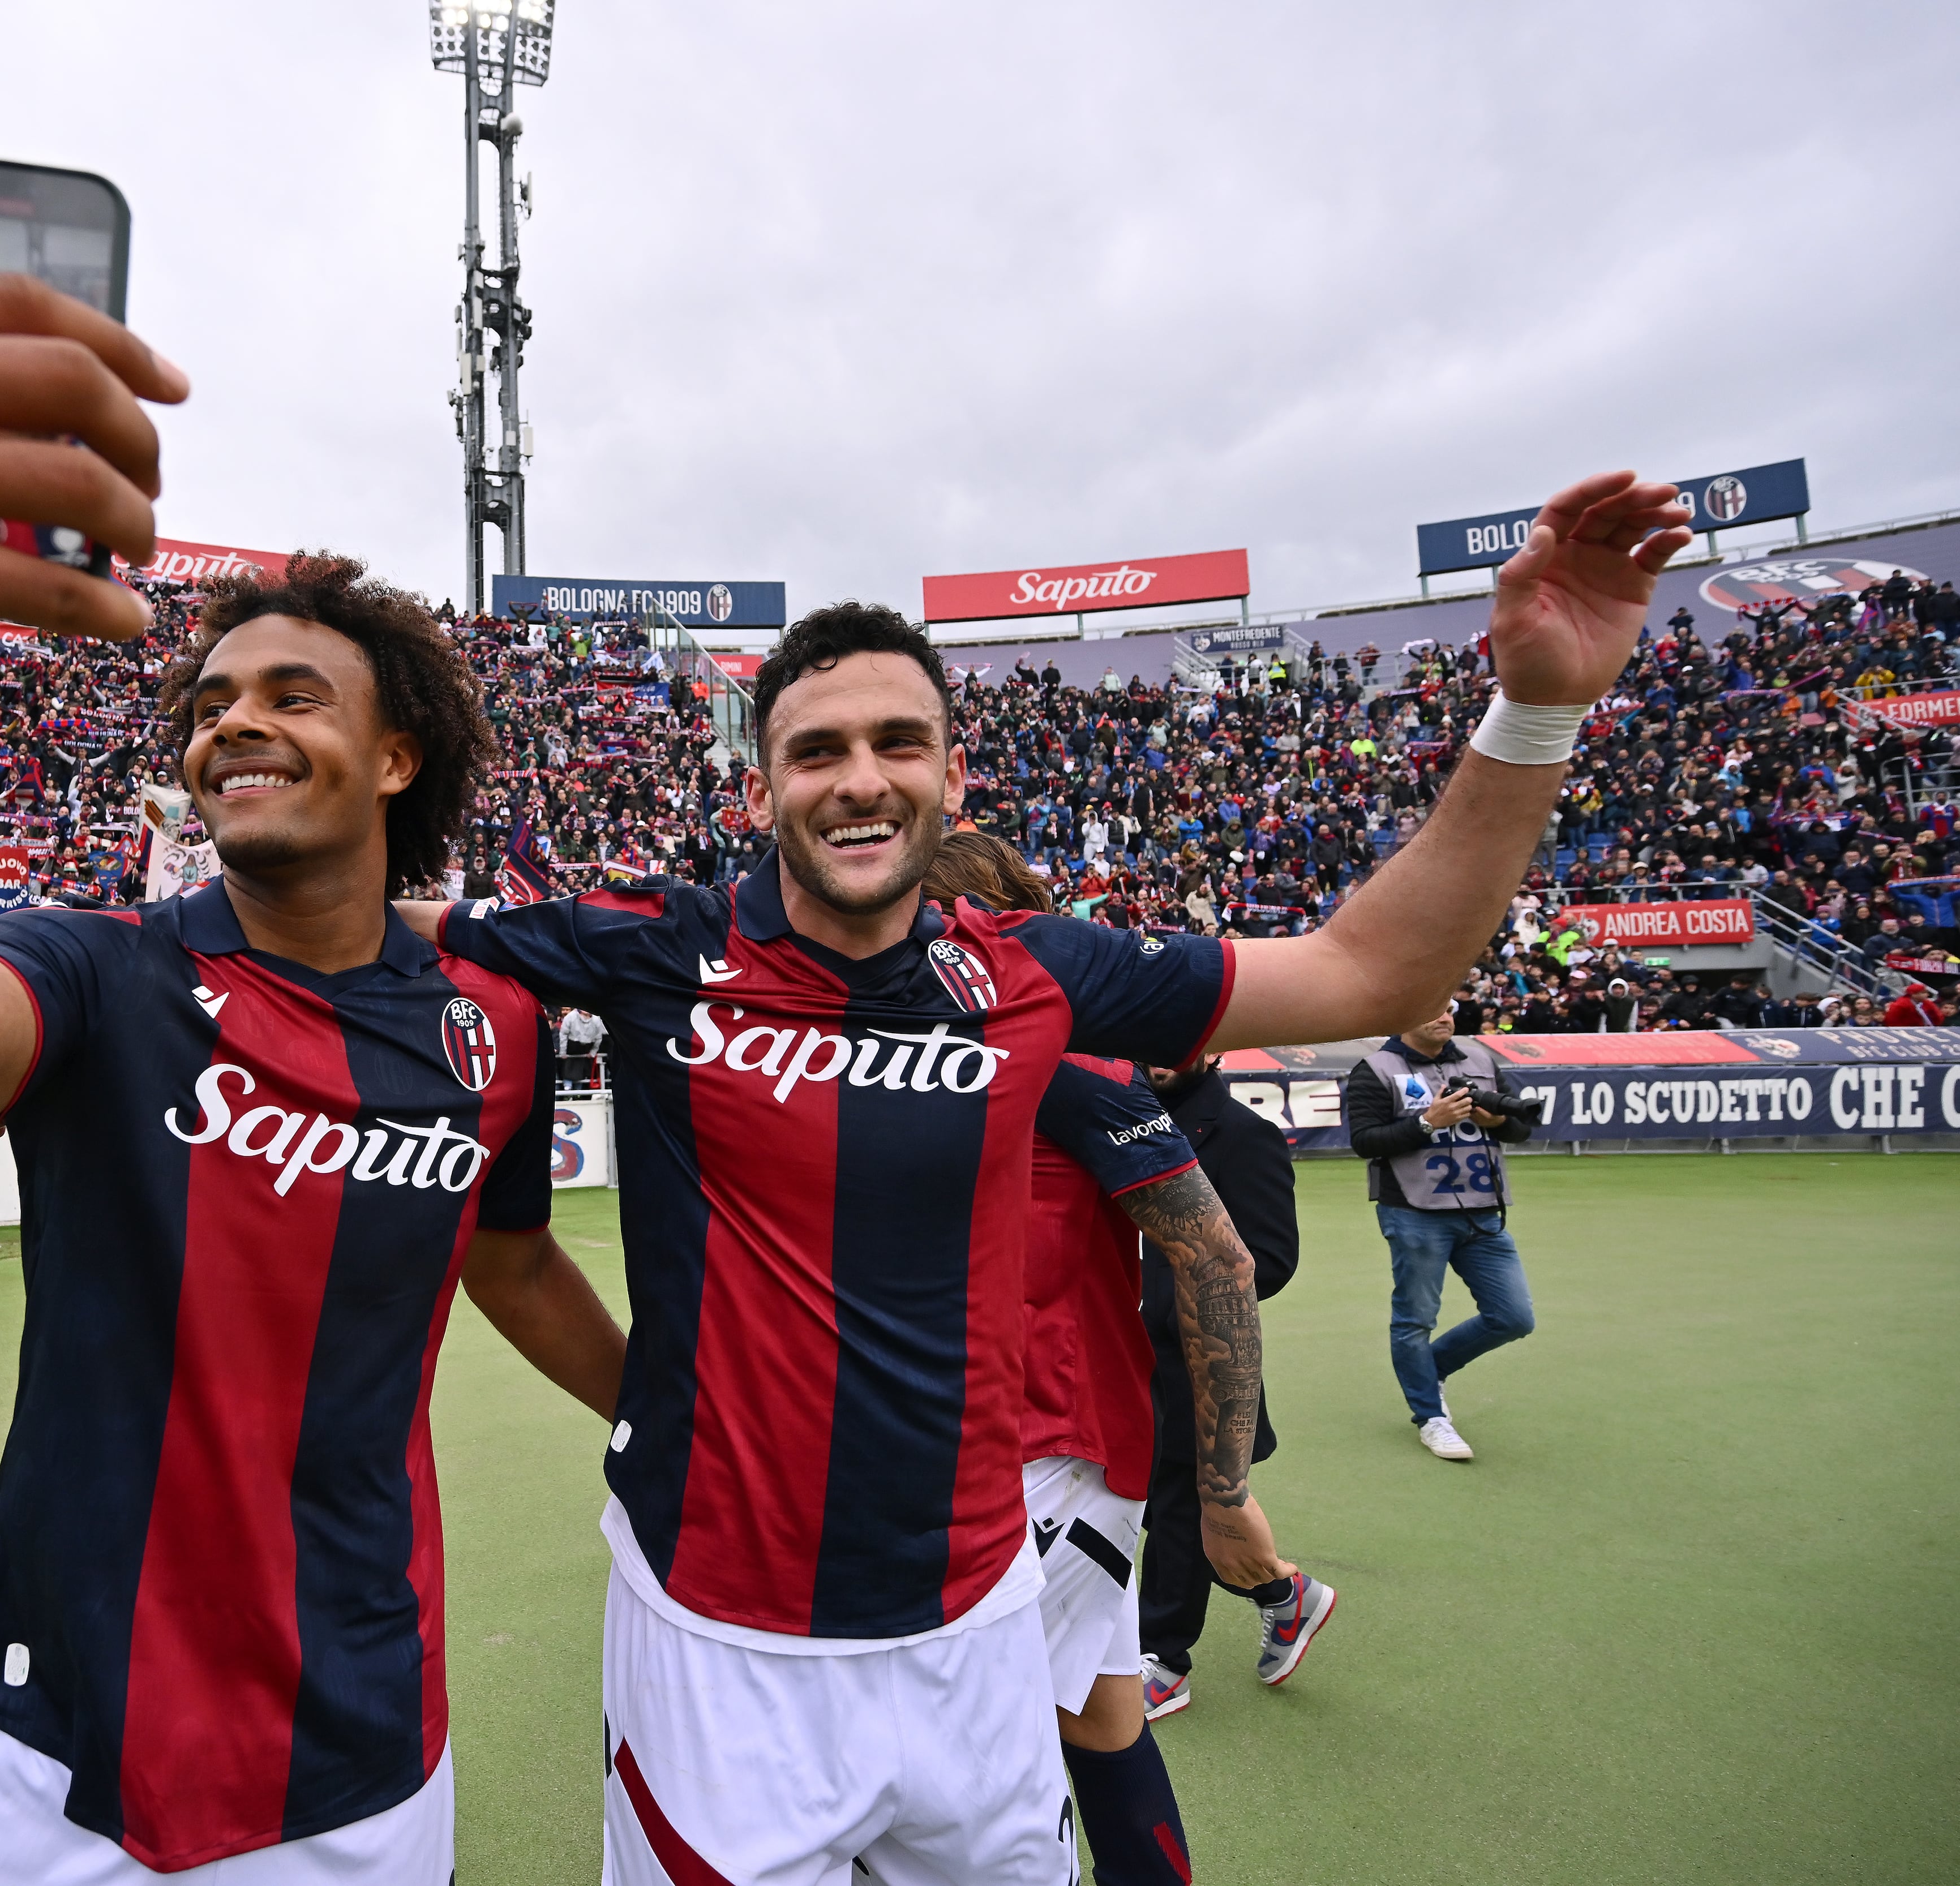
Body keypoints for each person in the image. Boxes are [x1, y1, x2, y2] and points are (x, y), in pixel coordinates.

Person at [404, 461, 1688, 1885]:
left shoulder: (1032, 975)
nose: (860, 778)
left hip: (979, 1627)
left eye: (900, 741)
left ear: (954, 773)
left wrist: (1538, 709)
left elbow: (1374, 968)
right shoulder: (654, 944)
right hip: (719, 1643)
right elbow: (363, 929)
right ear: (760, 781)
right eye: (817, 748)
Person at [0, 174, 629, 1886]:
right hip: (36, 1750)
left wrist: (677, 1410)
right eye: (211, 701)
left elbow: (512, 1262)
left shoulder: (488, 1023)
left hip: (361, 1760)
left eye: (289, 694)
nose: (232, 722)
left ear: (397, 759)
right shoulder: (98, 973)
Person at [921, 831, 1297, 1885]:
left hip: (1051, 1455)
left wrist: (1222, 1490)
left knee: (981, 1744)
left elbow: (1221, 1264)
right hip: (1008, 1451)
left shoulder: (1061, 1062)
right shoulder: (903, 1060)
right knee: (1099, 1717)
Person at [1130, 1048, 1315, 1722]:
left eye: (1177, 1038)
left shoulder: (1241, 1134)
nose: (1157, 1054)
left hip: (1193, 1362)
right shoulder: (1107, 1114)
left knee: (1179, 1514)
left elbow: (1270, 1260)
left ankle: (1164, 1660)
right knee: (1143, 1509)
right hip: (1112, 1356)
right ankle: (1279, 1593)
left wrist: (1160, 1287)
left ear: (1210, 1047)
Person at [1343, 997, 1540, 1461]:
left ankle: (1429, 1369)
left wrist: (1498, 1121)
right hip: (1413, 1211)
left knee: (1514, 1316)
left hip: (1484, 1211)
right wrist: (1428, 1123)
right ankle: (1431, 1416)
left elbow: (1519, 1128)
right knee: (1416, 1318)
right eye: (1431, 1007)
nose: (1444, 1016)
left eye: (1449, 1008)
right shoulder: (1375, 1067)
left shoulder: (1479, 1058)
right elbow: (1364, 1141)